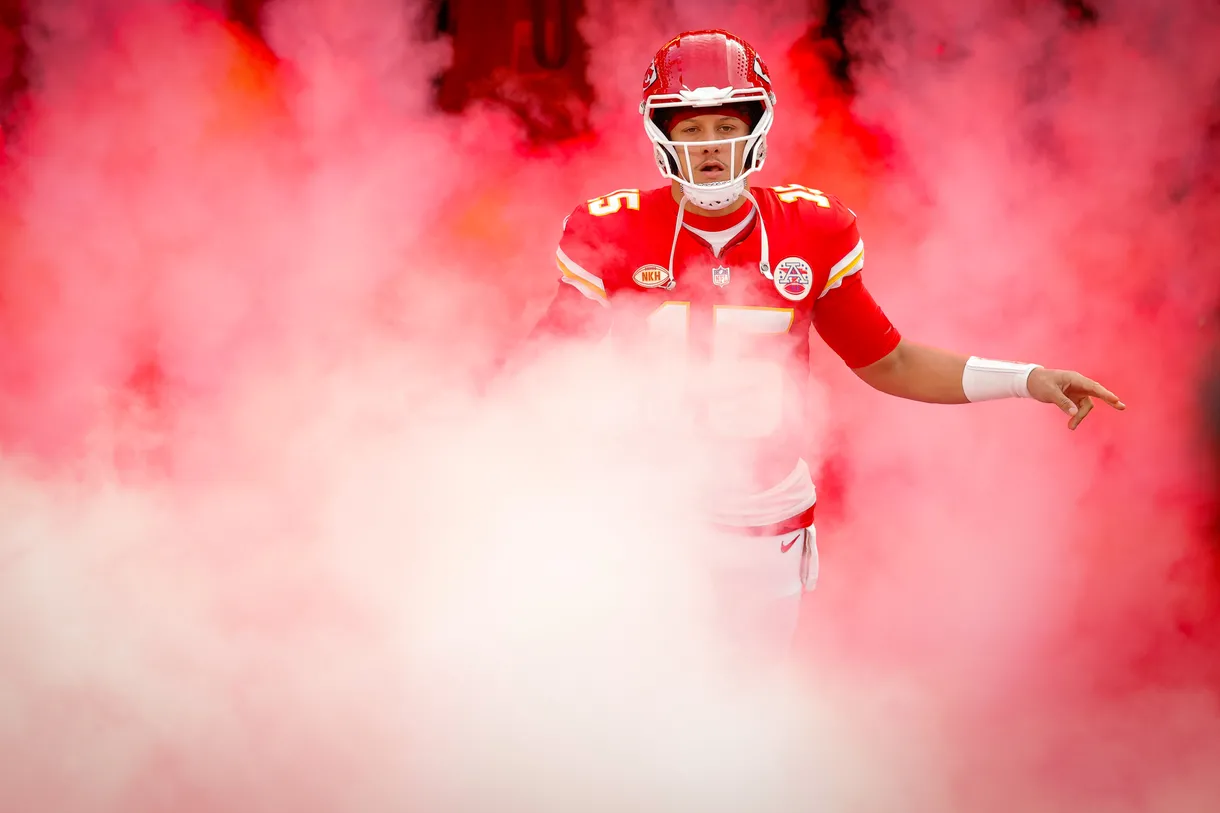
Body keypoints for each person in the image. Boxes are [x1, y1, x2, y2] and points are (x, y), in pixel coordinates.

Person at [524, 28, 1125, 647]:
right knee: (643, 693)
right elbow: (545, 367)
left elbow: (889, 361)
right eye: (692, 127)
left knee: (747, 703)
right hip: (653, 510)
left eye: (726, 125)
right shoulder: (610, 231)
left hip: (768, 516)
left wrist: (1026, 379)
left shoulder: (811, 228)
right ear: (662, 133)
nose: (710, 146)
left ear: (757, 126)